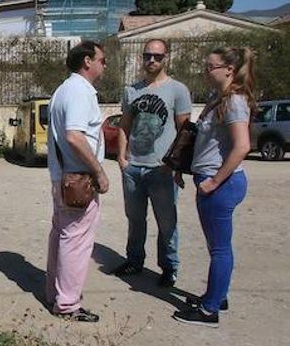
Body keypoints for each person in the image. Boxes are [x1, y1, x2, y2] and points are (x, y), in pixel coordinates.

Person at [173, 47, 254, 328]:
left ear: (229, 69)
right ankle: (217, 296)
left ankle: (209, 311)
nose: (206, 71)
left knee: (220, 249)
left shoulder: (234, 102)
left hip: (221, 184)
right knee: (217, 246)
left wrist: (214, 181)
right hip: (211, 180)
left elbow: (242, 146)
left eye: (211, 66)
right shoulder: (217, 99)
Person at [112, 39, 192, 287]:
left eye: (157, 56)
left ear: (165, 57)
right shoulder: (132, 90)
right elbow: (124, 125)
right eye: (147, 56)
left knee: (167, 222)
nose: (152, 61)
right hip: (134, 167)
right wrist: (122, 158)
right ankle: (134, 260)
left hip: (161, 169)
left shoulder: (178, 90)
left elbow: (185, 131)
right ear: (142, 57)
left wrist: (176, 167)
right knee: (135, 220)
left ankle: (169, 267)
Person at [45, 41, 109, 322]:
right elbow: (74, 135)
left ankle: (55, 294)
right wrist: (99, 172)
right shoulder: (80, 92)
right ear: (87, 61)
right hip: (79, 179)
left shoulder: (62, 90)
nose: (104, 65)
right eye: (102, 60)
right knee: (76, 241)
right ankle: (68, 304)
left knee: (61, 236)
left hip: (63, 176)